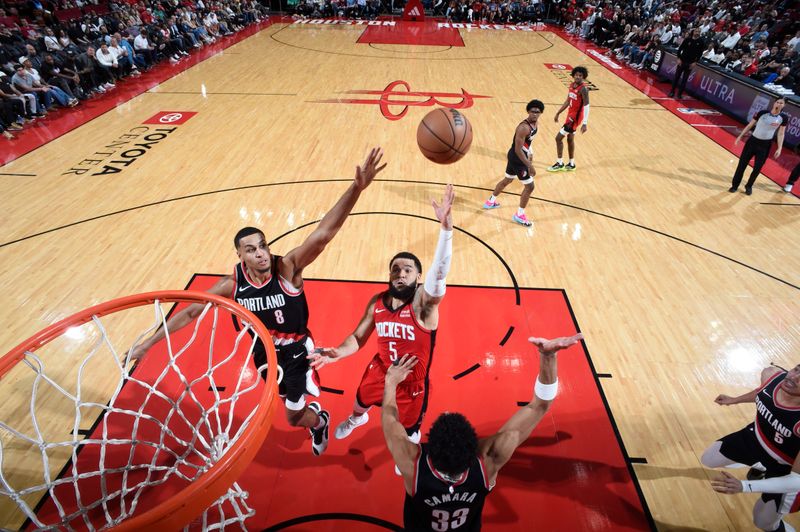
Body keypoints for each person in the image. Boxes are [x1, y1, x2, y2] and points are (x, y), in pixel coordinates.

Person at [130, 147, 387, 456]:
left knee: (293, 417)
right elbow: (190, 313)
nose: (261, 253)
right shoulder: (232, 284)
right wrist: (150, 343)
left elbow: (322, 236)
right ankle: (316, 419)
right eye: (251, 249)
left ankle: (319, 422)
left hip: (296, 351)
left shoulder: (287, 268)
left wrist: (356, 188)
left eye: (263, 245)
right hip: (263, 352)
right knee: (289, 410)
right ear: (240, 256)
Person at [383, 334, 583, 531]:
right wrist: (548, 356)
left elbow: (390, 418)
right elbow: (539, 406)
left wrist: (391, 382)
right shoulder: (488, 462)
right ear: (474, 448)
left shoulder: (412, 465)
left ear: (429, 450)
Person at [308, 185, 455, 444]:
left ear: (419, 277)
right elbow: (358, 336)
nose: (400, 274)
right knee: (360, 401)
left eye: (408, 270)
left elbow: (440, 272)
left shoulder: (424, 304)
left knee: (409, 432)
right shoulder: (378, 301)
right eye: (395, 269)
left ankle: (408, 449)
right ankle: (357, 419)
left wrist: (446, 231)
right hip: (380, 369)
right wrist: (338, 352)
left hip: (412, 383)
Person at [702, 363, 800, 532]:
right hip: (755, 438)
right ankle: (759, 466)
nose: (794, 377)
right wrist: (733, 400)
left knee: (762, 522)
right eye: (797, 370)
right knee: (708, 459)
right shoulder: (772, 375)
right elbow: (760, 392)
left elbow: (796, 480)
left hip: (785, 469)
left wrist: (744, 486)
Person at [482, 99, 544, 227]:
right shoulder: (523, 127)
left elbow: (528, 143)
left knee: (507, 180)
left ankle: (490, 202)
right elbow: (518, 149)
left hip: (517, 156)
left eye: (538, 112)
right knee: (530, 187)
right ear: (528, 111)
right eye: (533, 111)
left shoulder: (535, 124)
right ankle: (519, 215)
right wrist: (529, 165)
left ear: (541, 113)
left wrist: (531, 153)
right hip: (517, 157)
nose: (535, 114)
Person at [729, 97, 788, 196]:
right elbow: (750, 125)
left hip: (765, 145)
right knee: (742, 165)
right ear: (774, 103)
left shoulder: (783, 118)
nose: (778, 104)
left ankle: (749, 186)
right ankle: (735, 186)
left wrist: (779, 148)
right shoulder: (762, 113)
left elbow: (781, 133)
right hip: (752, 142)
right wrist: (740, 136)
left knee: (757, 168)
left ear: (784, 105)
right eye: (777, 102)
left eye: (781, 103)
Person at [547, 66, 589, 173]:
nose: (578, 77)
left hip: (575, 118)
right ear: (573, 75)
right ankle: (571, 163)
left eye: (580, 76)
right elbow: (567, 101)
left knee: (558, 138)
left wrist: (585, 123)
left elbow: (587, 106)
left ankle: (559, 163)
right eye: (576, 75)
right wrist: (558, 113)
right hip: (570, 115)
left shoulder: (583, 89)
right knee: (570, 139)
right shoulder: (571, 85)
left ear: (583, 77)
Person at [669, 27, 705, 99]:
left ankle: (679, 94)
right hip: (682, 60)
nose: (697, 32)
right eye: (696, 31)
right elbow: (680, 49)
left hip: (690, 63)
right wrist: (678, 58)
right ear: (693, 32)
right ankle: (672, 91)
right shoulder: (687, 39)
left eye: (698, 31)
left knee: (685, 79)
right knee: (676, 77)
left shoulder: (701, 42)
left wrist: (695, 62)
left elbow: (700, 54)